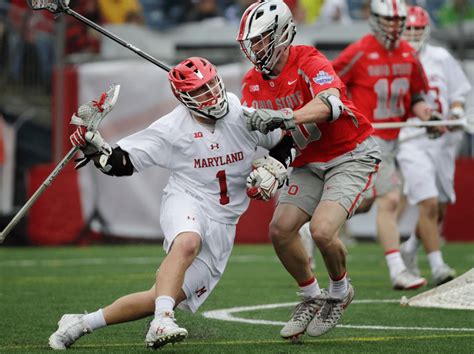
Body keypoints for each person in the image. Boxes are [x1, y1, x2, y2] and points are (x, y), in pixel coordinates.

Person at [48, 56, 292, 350]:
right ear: (185, 97)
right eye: (201, 90)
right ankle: (162, 321)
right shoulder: (172, 128)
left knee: (160, 295)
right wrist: (95, 147)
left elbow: (284, 142)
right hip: (187, 198)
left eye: (213, 84)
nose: (212, 93)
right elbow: (121, 162)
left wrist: (275, 171)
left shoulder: (239, 113)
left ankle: (80, 322)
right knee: (187, 242)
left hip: (225, 223)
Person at [237, 0, 381, 341]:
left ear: (282, 34)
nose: (254, 49)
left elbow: (329, 103)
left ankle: (339, 291)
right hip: (305, 160)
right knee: (281, 229)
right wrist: (269, 165)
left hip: (349, 154)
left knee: (322, 231)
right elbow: (266, 135)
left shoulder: (308, 59)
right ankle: (310, 296)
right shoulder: (251, 82)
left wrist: (286, 116)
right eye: (250, 42)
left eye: (260, 40)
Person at [331, 0, 445, 290]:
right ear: (375, 20)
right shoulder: (360, 51)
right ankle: (397, 268)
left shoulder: (408, 54)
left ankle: (319, 220)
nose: (394, 27)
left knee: (367, 201)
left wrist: (428, 116)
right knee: (390, 199)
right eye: (388, 21)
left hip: (392, 139)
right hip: (365, 138)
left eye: (398, 22)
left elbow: (418, 96)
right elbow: (329, 84)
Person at [397, 5, 471, 285]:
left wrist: (454, 112)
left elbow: (459, 92)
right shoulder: (396, 61)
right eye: (409, 29)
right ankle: (438, 266)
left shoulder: (440, 57)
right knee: (427, 202)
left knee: (438, 206)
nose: (414, 34)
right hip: (412, 139)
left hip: (444, 141)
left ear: (426, 30)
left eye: (418, 29)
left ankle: (411, 247)